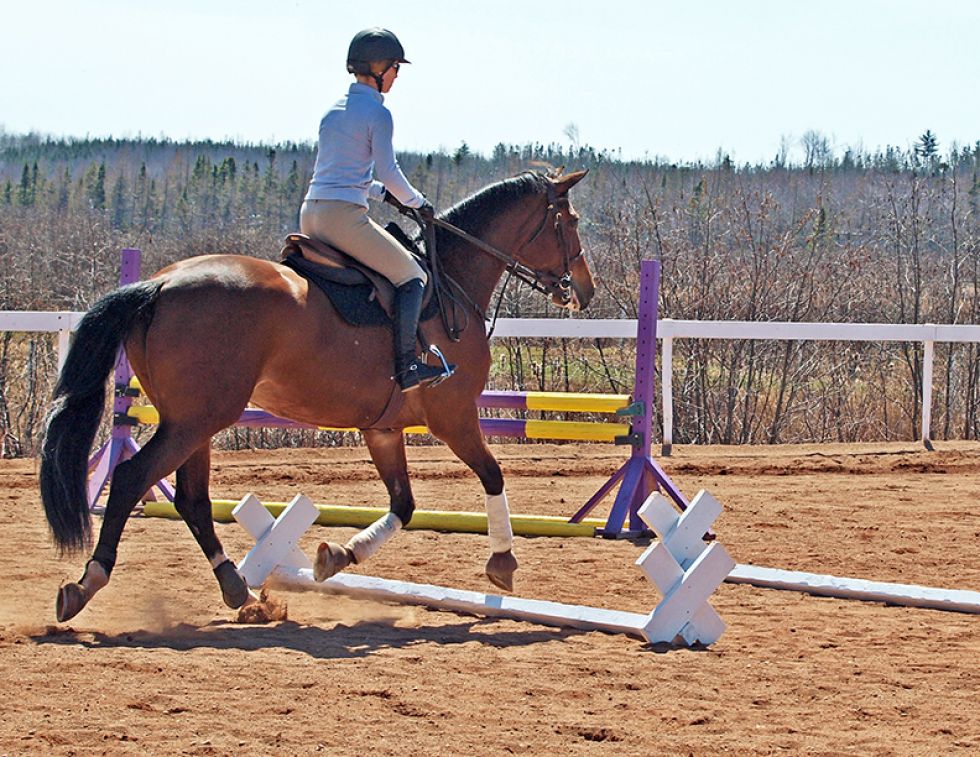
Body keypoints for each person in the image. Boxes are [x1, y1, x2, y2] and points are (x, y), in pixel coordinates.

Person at [300, 27, 453, 392]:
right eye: (395, 68)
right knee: (413, 276)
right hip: (343, 218)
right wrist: (418, 202)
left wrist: (384, 195)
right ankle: (407, 367)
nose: (397, 76)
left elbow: (349, 176)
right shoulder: (378, 113)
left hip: (311, 214)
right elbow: (388, 169)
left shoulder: (332, 112)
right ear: (380, 67)